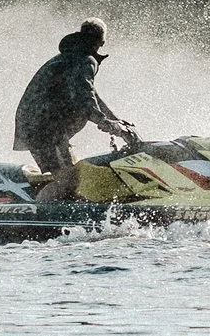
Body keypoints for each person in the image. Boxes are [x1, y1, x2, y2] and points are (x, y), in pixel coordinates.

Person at [12, 18, 138, 201]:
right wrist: (104, 122)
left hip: (42, 125)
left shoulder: (74, 57)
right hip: (43, 127)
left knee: (74, 175)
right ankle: (36, 213)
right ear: (102, 41)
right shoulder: (85, 60)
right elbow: (84, 97)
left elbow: (91, 94)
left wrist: (116, 121)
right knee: (68, 181)